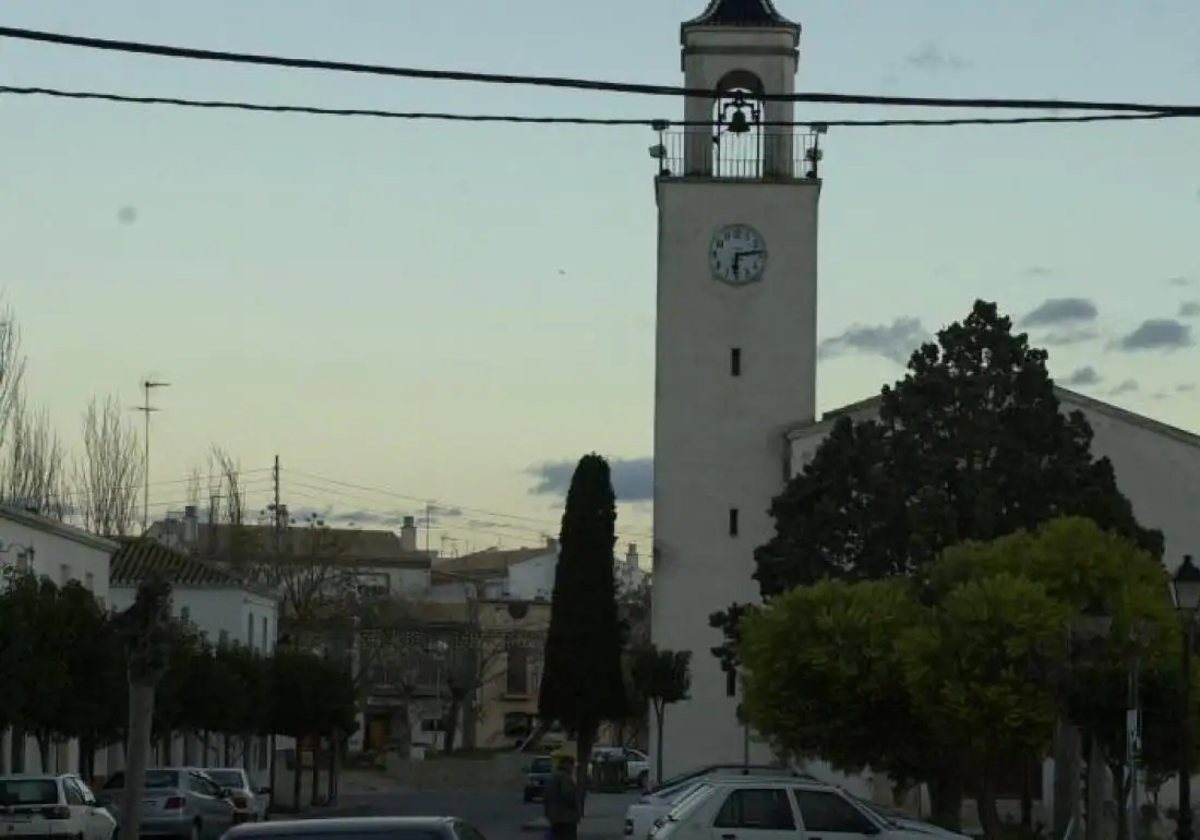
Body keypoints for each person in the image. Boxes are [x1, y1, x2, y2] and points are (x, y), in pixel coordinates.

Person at [543, 753, 581, 840]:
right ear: (566, 765)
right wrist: (575, 808)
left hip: (554, 816)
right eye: (572, 765)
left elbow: (546, 796)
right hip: (566, 817)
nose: (573, 768)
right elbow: (568, 795)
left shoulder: (552, 777)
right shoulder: (565, 777)